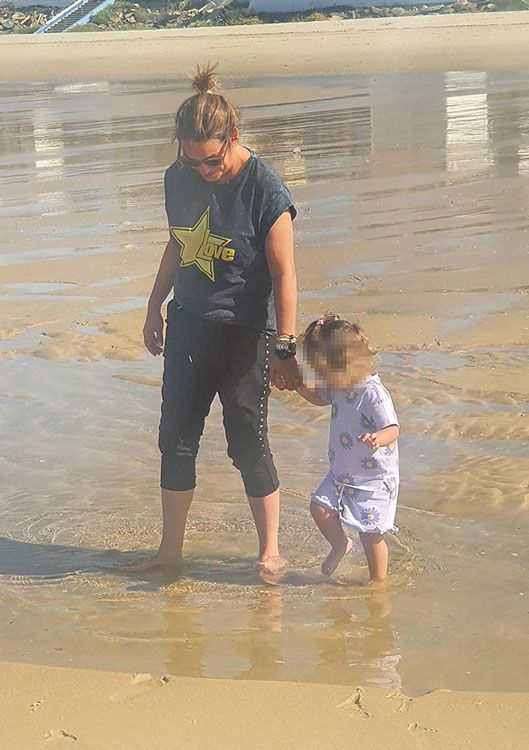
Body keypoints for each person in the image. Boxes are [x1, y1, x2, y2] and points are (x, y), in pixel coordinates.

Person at [121, 63, 299, 582]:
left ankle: (269, 553)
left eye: (212, 161)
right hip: (190, 324)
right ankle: (169, 551)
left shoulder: (266, 188)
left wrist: (285, 346)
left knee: (247, 440)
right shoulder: (178, 177)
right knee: (175, 435)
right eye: (192, 159)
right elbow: (178, 243)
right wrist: (154, 306)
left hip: (246, 333)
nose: (203, 171)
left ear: (233, 137)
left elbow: (284, 272)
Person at [295, 313, 400, 583]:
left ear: (344, 363)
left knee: (371, 534)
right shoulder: (340, 384)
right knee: (320, 509)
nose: (322, 378)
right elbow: (320, 399)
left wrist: (379, 438)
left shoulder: (372, 393)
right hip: (341, 472)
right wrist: (298, 387)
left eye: (323, 371)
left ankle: (378, 583)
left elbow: (393, 428)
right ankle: (340, 545)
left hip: (373, 477)